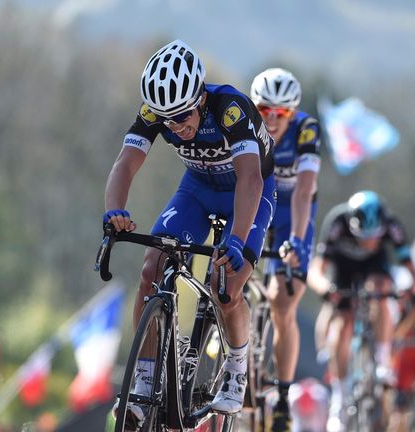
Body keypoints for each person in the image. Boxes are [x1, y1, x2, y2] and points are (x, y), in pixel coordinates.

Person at [104, 40, 275, 423]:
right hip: (197, 189)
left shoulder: (230, 109)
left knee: (228, 288)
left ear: (199, 98)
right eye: (168, 122)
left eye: (183, 116)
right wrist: (114, 211)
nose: (178, 129)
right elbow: (125, 164)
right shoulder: (158, 111)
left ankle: (235, 365)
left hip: (247, 193)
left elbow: (250, 178)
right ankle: (144, 380)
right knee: (150, 271)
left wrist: (236, 239)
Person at [307, 190, 415, 432]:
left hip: (375, 269)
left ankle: (382, 360)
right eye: (363, 237)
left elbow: (413, 272)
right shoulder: (337, 223)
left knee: (381, 292)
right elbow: (315, 270)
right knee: (342, 320)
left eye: (375, 237)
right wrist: (326, 289)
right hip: (343, 271)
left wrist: (410, 289)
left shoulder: (391, 225)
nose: (369, 242)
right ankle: (340, 395)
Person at [249, 67, 321, 431]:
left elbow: (306, 189)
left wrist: (294, 238)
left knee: (282, 300)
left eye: (283, 113)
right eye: (265, 110)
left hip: (294, 213)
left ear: (293, 113)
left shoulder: (306, 129)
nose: (273, 119)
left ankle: (281, 393)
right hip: (260, 206)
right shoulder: (245, 124)